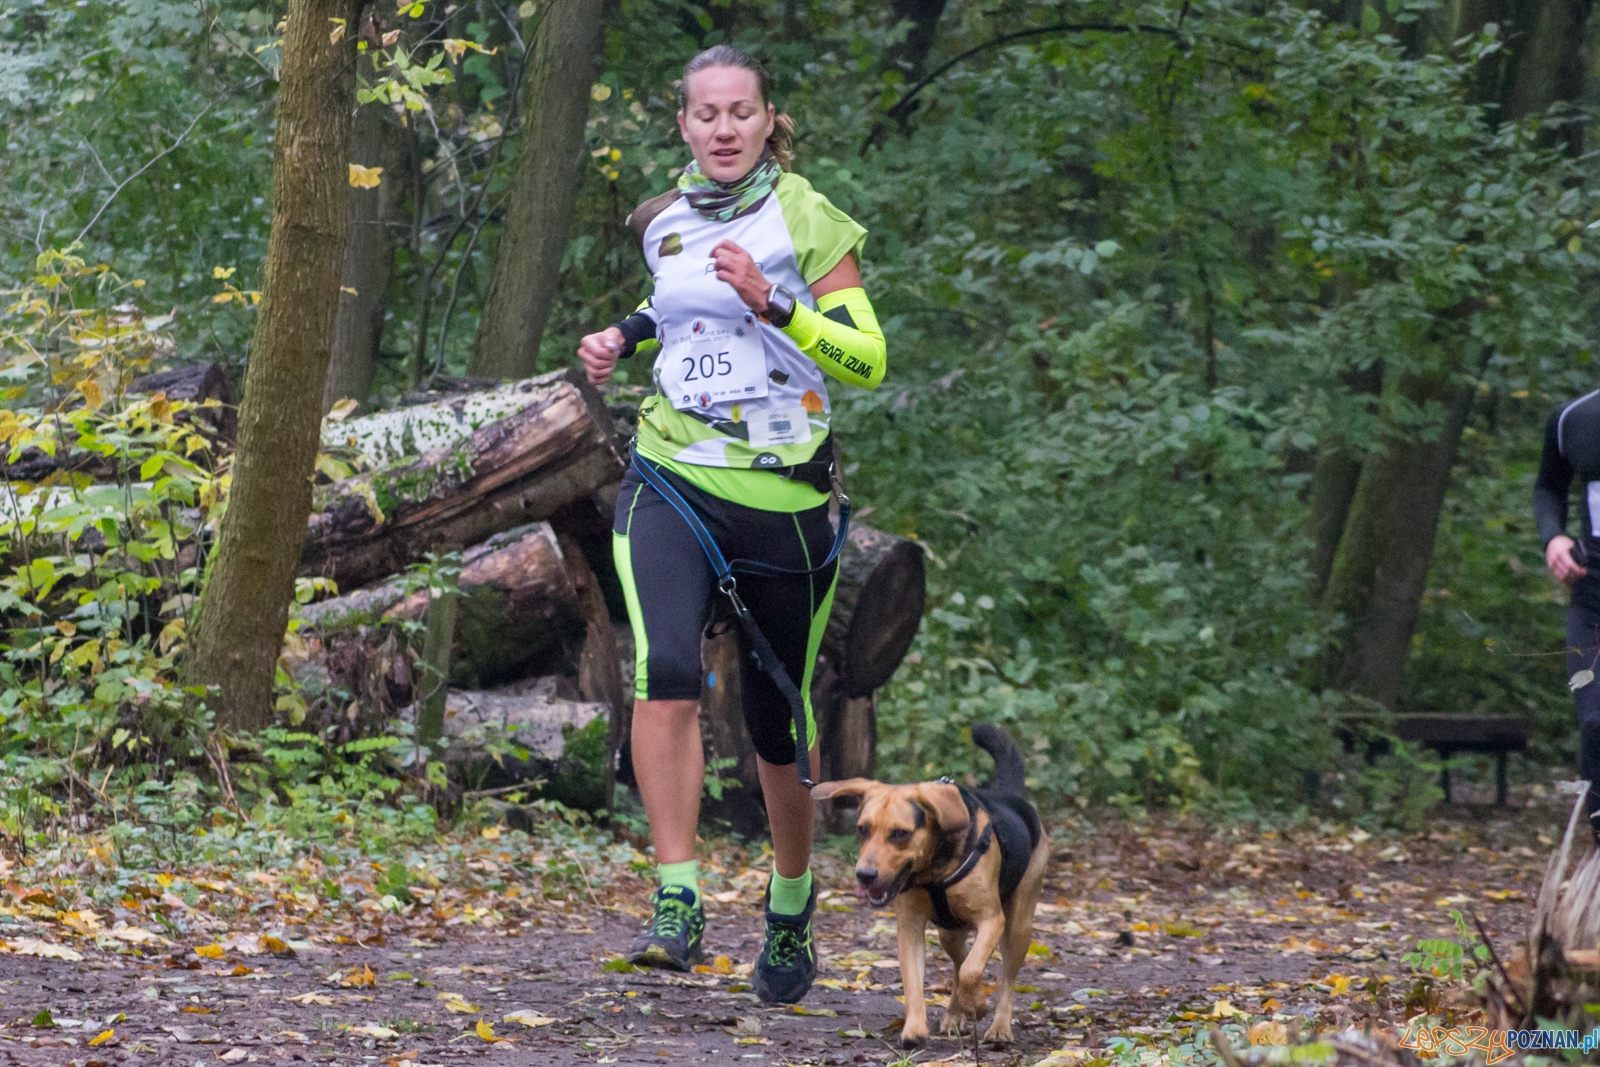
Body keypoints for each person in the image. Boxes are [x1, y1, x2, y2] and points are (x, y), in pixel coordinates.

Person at [576, 45, 887, 1004]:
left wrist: (778, 302)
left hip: (786, 502)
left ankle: (790, 906)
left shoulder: (807, 216)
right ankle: (677, 897)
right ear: (683, 125)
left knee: (776, 721)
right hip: (672, 475)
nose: (721, 128)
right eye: (704, 113)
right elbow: (672, 305)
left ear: (765, 120)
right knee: (664, 668)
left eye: (739, 112)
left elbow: (868, 359)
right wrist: (621, 337)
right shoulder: (662, 221)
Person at [1535, 389, 1600, 839]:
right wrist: (1553, 537)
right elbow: (1547, 486)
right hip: (1593, 602)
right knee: (1596, 722)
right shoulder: (1576, 418)